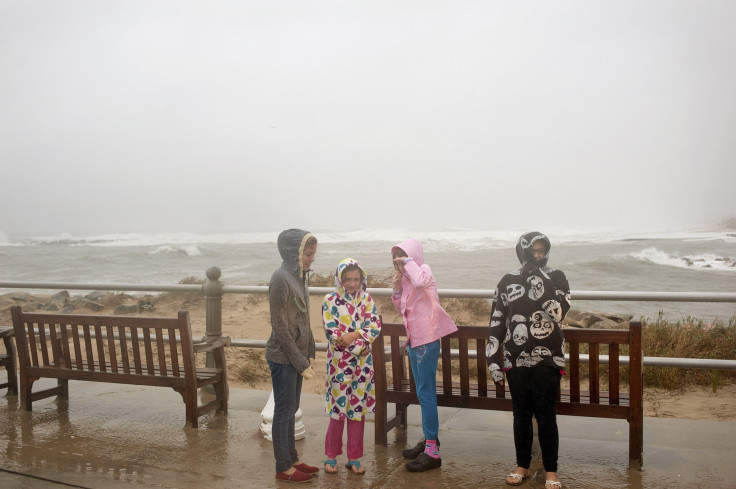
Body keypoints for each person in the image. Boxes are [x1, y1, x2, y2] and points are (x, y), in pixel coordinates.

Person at [486, 232, 571, 489]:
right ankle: (522, 464)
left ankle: (551, 471)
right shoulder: (508, 280)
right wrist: (493, 360)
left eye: (542, 250)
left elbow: (557, 314)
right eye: (533, 251)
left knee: (546, 415)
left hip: (548, 359)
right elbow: (497, 322)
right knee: (521, 415)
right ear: (522, 251)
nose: (538, 255)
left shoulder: (557, 277)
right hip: (515, 359)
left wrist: (538, 279)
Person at [391, 238, 458, 472]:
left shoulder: (423, 271)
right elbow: (402, 308)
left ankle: (432, 451)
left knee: (426, 394)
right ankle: (430, 439)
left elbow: (420, 279)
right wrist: (398, 287)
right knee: (421, 392)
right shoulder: (408, 277)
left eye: (403, 258)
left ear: (412, 256)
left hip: (427, 341)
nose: (399, 265)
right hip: (414, 340)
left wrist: (407, 263)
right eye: (396, 261)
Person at [265, 228, 319, 483]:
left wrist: (309, 351)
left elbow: (303, 318)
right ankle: (282, 467)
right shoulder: (280, 279)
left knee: (292, 407)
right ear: (293, 252)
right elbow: (280, 326)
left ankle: (293, 459)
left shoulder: (300, 277)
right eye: (307, 254)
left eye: (312, 255)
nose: (311, 259)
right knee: (284, 411)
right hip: (282, 357)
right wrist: (299, 360)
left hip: (297, 356)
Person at [322, 258, 381, 475]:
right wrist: (359, 346)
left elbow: (374, 325)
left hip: (363, 366)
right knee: (338, 409)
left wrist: (355, 335)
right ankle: (330, 456)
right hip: (339, 365)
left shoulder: (366, 299)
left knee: (357, 410)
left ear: (361, 278)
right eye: (347, 279)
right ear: (340, 279)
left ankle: (354, 458)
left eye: (356, 279)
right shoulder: (330, 300)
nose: (352, 283)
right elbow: (333, 334)